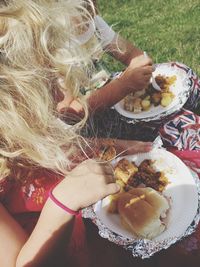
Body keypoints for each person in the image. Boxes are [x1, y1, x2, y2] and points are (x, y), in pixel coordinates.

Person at [0, 1, 152, 266]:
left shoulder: (20, 128)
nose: (62, 95)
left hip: (87, 228)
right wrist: (62, 202)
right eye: (46, 86)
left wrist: (111, 147)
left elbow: (49, 147)